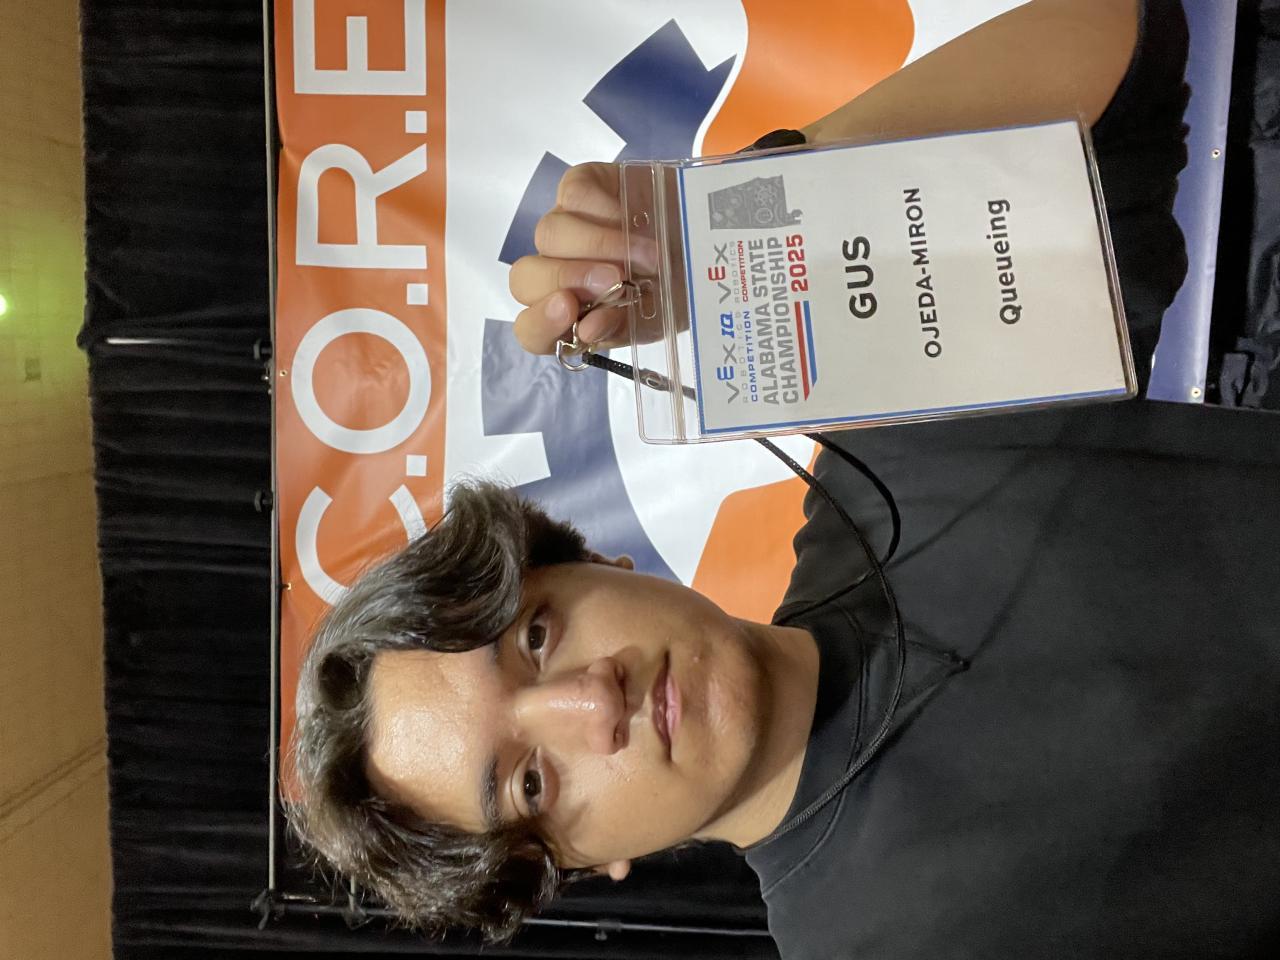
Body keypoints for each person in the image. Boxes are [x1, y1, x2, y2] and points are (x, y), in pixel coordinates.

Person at [288, 0, 1280, 956]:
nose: (594, 703)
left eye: (535, 638)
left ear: (595, 562)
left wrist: (735, 223)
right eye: (531, 783)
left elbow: (1121, 54)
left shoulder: (899, 433)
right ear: (585, 865)